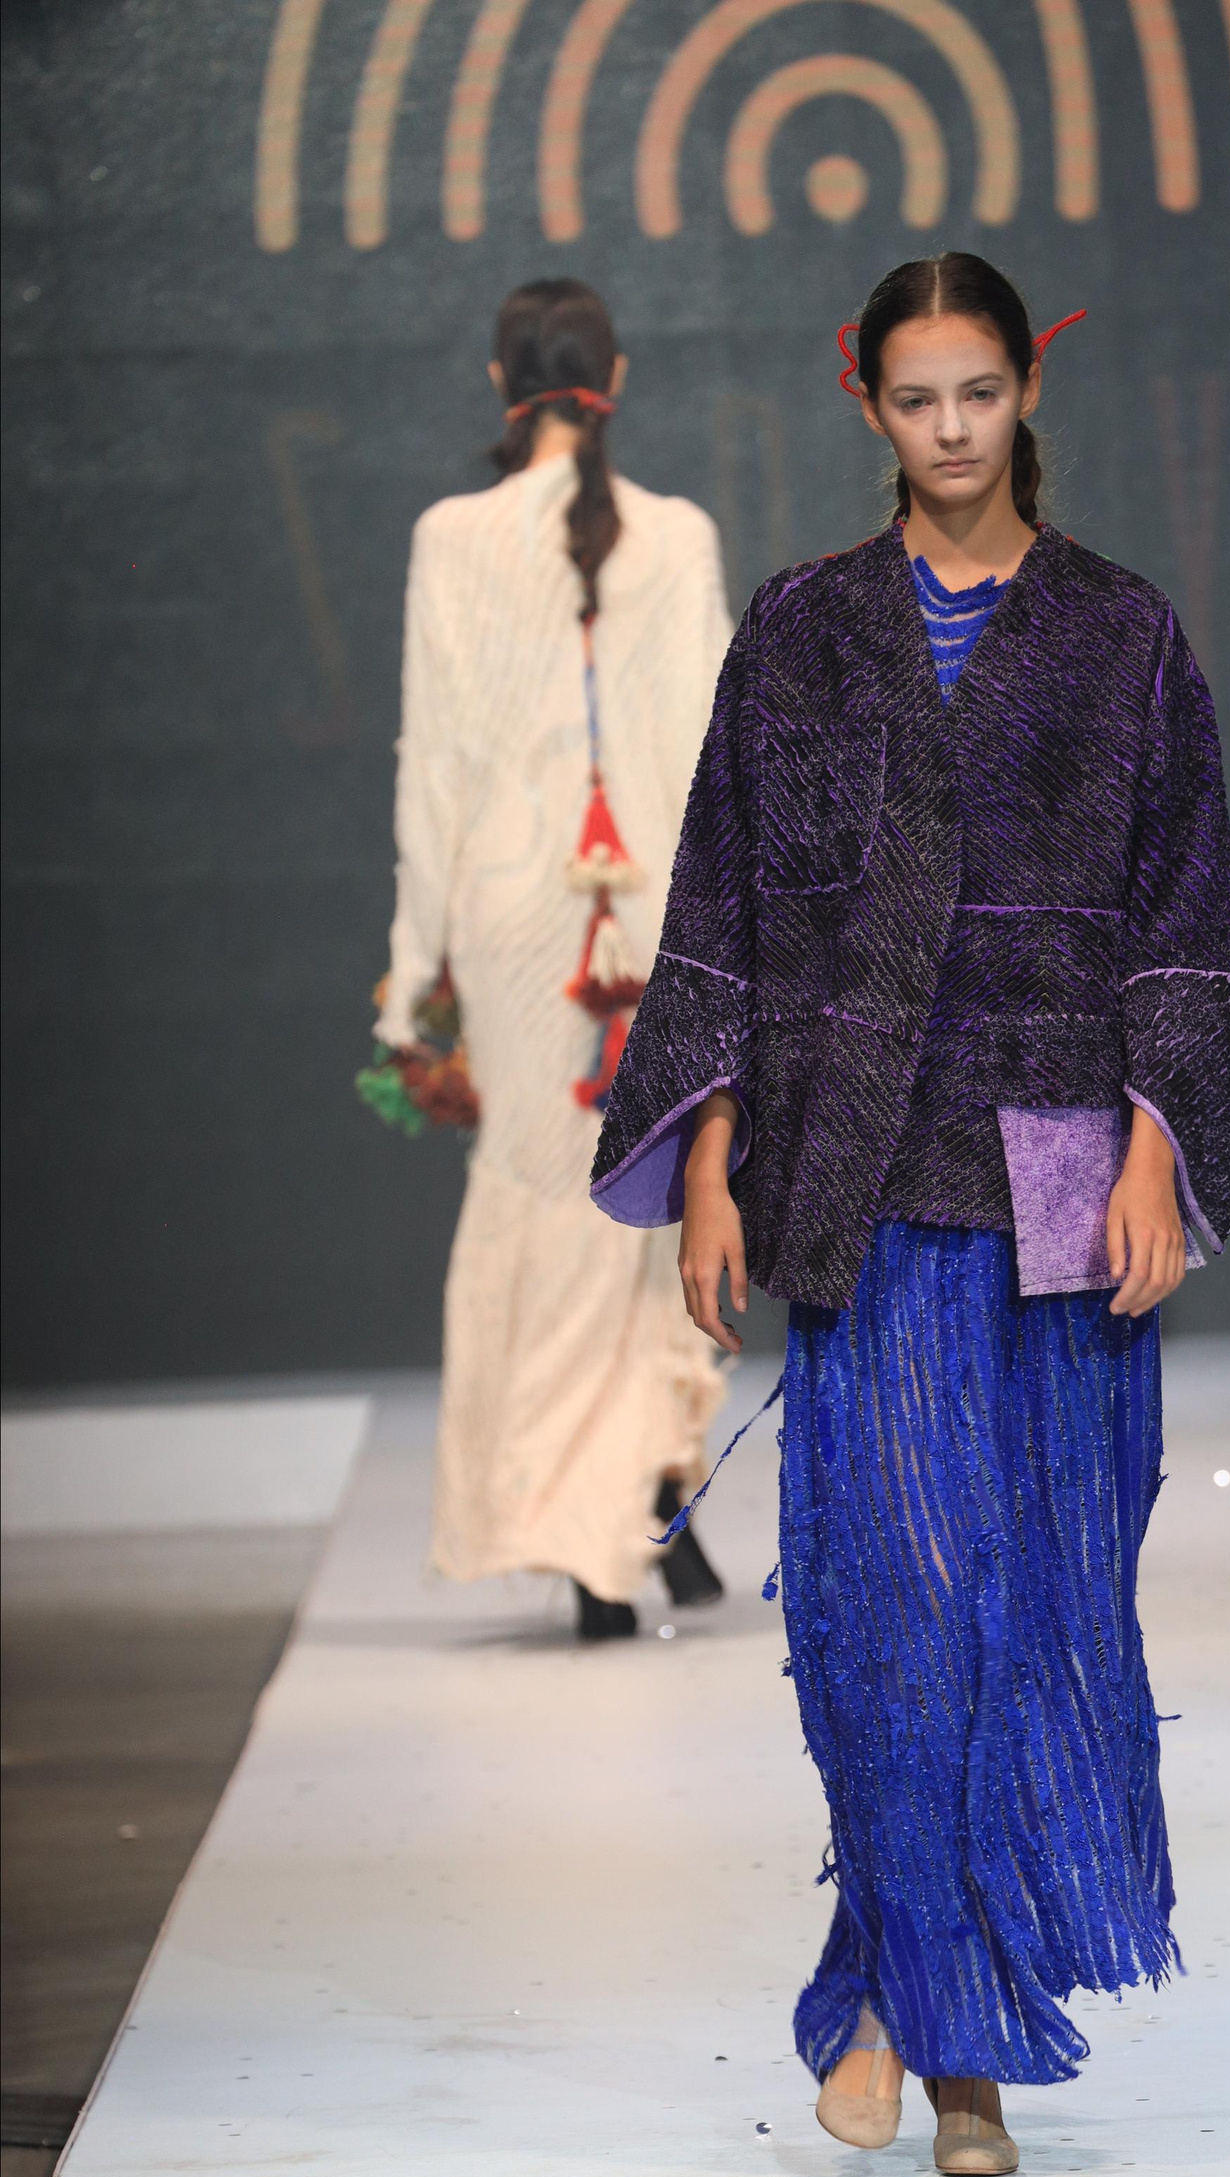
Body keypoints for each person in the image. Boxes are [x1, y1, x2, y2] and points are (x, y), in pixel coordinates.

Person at [591, 254, 1230, 2167]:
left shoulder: (1122, 634)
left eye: (979, 391)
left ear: (1027, 387)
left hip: (1056, 1165)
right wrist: (708, 1159)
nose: (951, 429)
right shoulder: (802, 631)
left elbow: (1189, 912)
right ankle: (958, 2052)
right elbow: (722, 903)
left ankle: (898, 1993)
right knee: (893, 1608)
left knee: (1033, 1598)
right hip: (857, 1156)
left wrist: (1157, 1143)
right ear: (863, 403)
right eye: (915, 397)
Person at [378, 277, 730, 1638]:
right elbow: (717, 761)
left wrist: (414, 972)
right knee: (649, 1206)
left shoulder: (451, 538)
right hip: (651, 916)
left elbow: (433, 771)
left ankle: (608, 1536)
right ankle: (646, 1516)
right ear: (616, 380)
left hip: (516, 922)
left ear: (498, 383)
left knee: (547, 1203)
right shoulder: (678, 536)